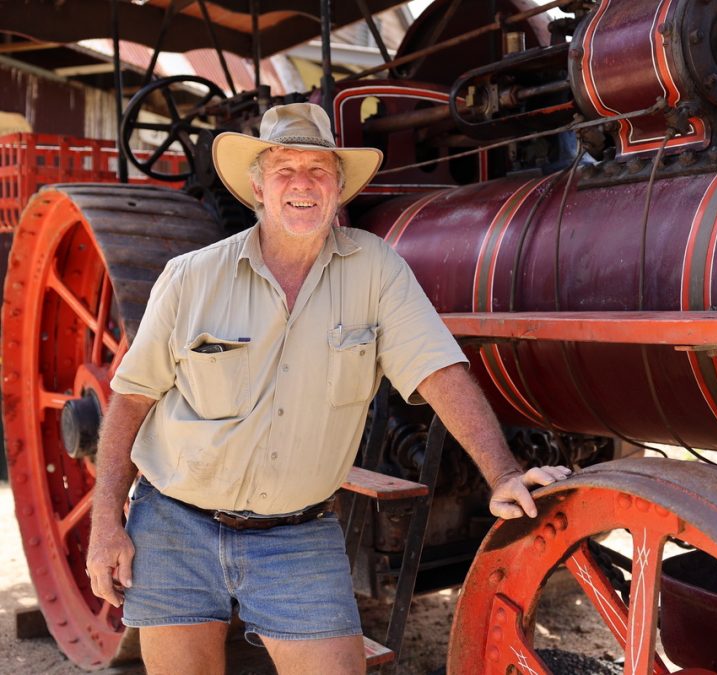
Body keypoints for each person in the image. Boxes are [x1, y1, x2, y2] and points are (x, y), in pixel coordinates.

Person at [86, 102, 571, 675]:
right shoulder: (192, 276)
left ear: (338, 188)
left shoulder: (375, 269)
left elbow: (439, 371)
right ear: (257, 187)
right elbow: (133, 397)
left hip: (296, 534)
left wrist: (503, 474)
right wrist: (105, 523)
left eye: (318, 171)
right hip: (175, 524)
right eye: (285, 169)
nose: (302, 184)